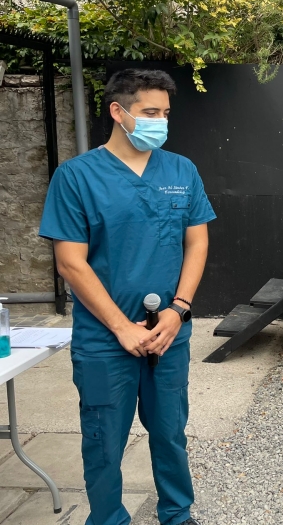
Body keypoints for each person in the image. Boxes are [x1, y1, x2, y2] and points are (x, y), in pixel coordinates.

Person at [39, 69, 216, 525]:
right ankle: (108, 518)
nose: (161, 121)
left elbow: (196, 242)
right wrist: (121, 327)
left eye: (166, 113)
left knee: (170, 433)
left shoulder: (181, 170)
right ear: (119, 112)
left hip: (168, 335)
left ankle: (177, 515)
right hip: (105, 340)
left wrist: (179, 311)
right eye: (150, 112)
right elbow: (70, 263)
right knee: (103, 440)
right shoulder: (76, 177)